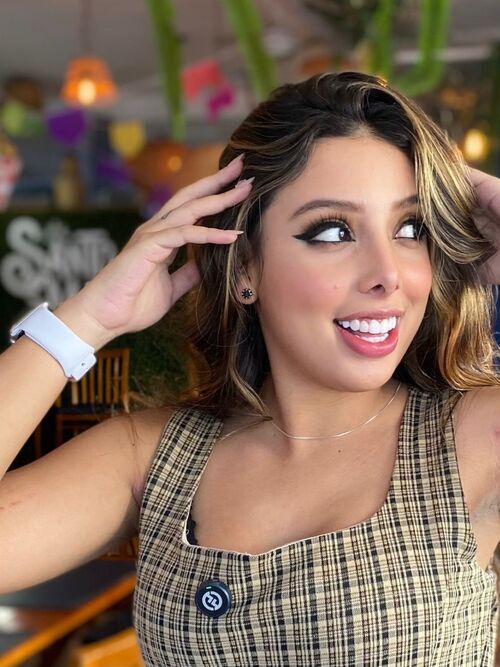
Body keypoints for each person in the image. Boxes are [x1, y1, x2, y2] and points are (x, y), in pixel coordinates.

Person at [0, 71, 499, 665]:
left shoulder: (474, 437)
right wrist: (87, 319)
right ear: (245, 268)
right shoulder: (154, 456)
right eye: (333, 231)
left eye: (410, 229)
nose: (387, 274)